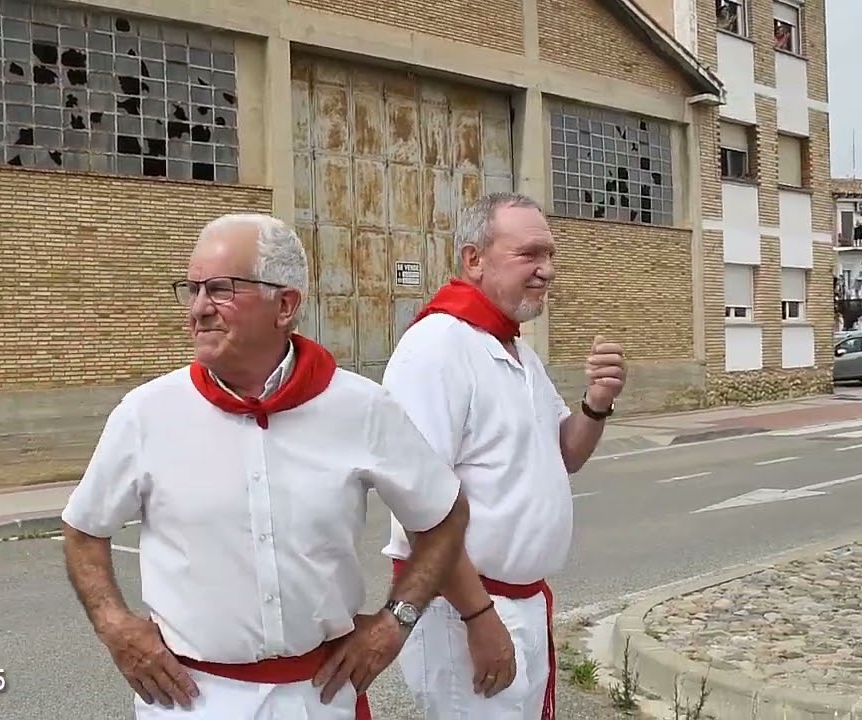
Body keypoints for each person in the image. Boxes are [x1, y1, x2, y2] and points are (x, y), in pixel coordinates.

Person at [60, 212, 471, 720]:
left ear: (286, 305)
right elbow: (83, 532)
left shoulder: (361, 408)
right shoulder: (146, 414)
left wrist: (397, 620)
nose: (198, 309)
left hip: (322, 699)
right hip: (192, 700)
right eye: (191, 290)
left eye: (220, 289)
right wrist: (113, 625)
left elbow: (444, 515)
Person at [382, 193, 627, 719]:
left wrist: (596, 404)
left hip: (520, 605)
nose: (547, 271)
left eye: (551, 256)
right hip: (463, 612)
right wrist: (479, 617)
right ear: (474, 260)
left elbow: (566, 452)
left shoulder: (515, 350)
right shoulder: (437, 349)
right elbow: (417, 506)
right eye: (530, 255)